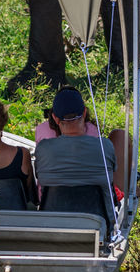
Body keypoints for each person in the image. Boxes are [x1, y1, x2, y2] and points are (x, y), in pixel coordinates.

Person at [33, 87, 119, 222]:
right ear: (84, 113)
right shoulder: (105, 146)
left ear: (55, 118)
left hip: (52, 224)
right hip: (99, 225)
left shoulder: (43, 149)